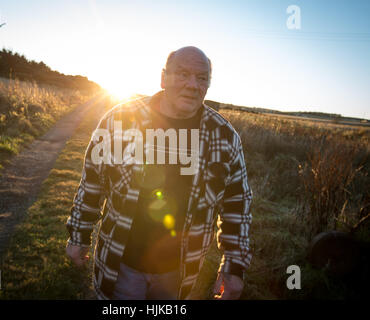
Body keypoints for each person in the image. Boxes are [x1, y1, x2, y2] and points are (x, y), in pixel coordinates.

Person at [65, 46, 252, 300]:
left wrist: (234, 265)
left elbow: (236, 204)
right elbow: (92, 183)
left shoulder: (225, 136)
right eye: (182, 74)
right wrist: (79, 235)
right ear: (163, 78)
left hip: (180, 273)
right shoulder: (119, 120)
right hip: (121, 266)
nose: (192, 85)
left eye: (202, 78)